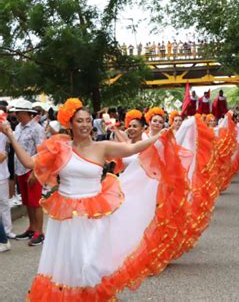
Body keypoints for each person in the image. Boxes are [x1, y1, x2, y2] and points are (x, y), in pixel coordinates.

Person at [2, 98, 191, 300]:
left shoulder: (102, 147)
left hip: (95, 213)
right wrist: (11, 136)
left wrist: (159, 137)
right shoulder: (60, 148)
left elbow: (132, 149)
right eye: (79, 121)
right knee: (72, 265)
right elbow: (29, 162)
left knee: (92, 263)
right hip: (67, 215)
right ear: (69, 124)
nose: (85, 125)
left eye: (87, 120)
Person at [10, 99, 46, 246]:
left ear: (27, 113)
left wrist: (35, 171)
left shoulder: (37, 129)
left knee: (36, 202)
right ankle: (32, 227)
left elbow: (42, 152)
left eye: (18, 112)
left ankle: (40, 232)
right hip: (20, 169)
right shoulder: (18, 127)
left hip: (31, 169)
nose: (16, 115)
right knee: (27, 202)